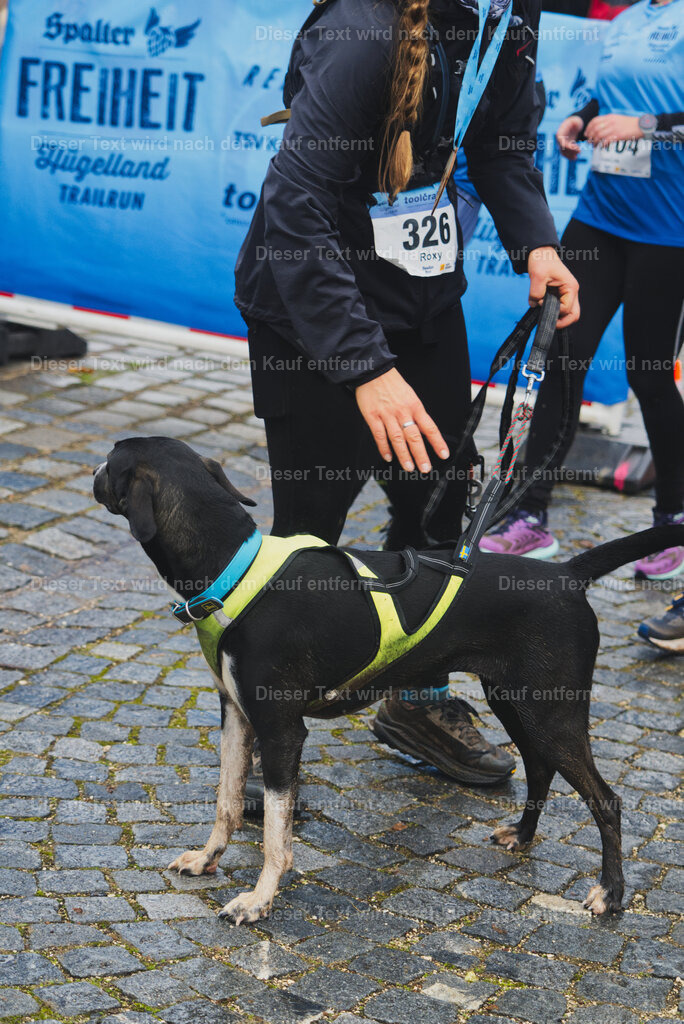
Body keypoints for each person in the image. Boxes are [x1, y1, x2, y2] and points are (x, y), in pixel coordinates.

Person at [234, 0, 579, 789]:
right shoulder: (364, 25)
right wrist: (365, 369)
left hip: (422, 297)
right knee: (311, 530)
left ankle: (416, 698)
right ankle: (265, 721)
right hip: (309, 310)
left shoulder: (507, 14)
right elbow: (295, 206)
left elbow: (501, 144)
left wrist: (538, 243)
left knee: (437, 499)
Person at [481, 0, 684, 579]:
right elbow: (619, 96)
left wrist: (644, 127)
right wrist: (584, 116)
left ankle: (673, 521)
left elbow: (652, 114)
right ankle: (529, 517)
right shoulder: (627, 18)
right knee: (560, 360)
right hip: (601, 216)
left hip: (669, 233)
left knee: (649, 376)